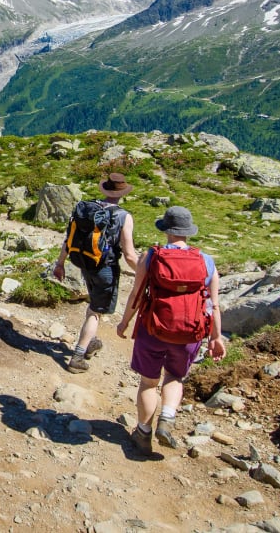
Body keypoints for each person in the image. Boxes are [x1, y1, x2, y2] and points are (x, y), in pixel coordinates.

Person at [117, 205, 226, 456]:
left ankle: (143, 431)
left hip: (152, 329)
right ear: (188, 232)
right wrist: (216, 337)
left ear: (166, 230)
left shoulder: (152, 256)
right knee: (175, 377)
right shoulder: (206, 261)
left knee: (148, 382)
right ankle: (167, 418)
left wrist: (124, 322)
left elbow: (136, 294)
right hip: (189, 333)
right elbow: (213, 304)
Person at [53, 173, 138, 373]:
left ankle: (90, 341)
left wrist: (60, 263)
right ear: (122, 193)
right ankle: (77, 357)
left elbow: (69, 239)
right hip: (105, 268)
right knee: (95, 312)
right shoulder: (123, 216)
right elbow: (129, 254)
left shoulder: (88, 209)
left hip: (85, 263)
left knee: (94, 304)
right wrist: (144, 273)